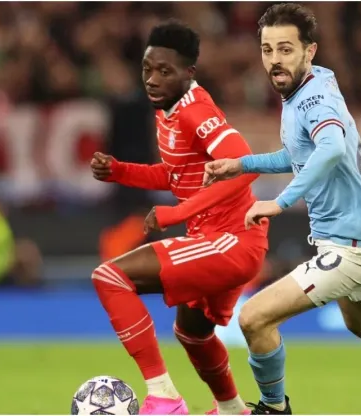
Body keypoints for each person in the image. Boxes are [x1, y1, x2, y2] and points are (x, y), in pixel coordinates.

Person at [203, 4, 361, 415]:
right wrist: (242, 164)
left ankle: (273, 408)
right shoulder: (313, 86)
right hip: (359, 239)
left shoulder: (314, 98)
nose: (275, 60)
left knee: (253, 318)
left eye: (286, 49)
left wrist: (280, 202)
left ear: (310, 51)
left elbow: (332, 148)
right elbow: (301, 154)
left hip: (349, 249)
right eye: (267, 50)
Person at [89, 20, 269, 415]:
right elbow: (176, 175)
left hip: (230, 240)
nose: (152, 80)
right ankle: (233, 410)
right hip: (220, 236)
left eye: (164, 71)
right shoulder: (167, 108)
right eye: (147, 69)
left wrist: (178, 213)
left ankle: (164, 396)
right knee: (193, 334)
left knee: (110, 277)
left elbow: (246, 167)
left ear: (189, 73)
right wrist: (119, 170)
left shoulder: (195, 112)